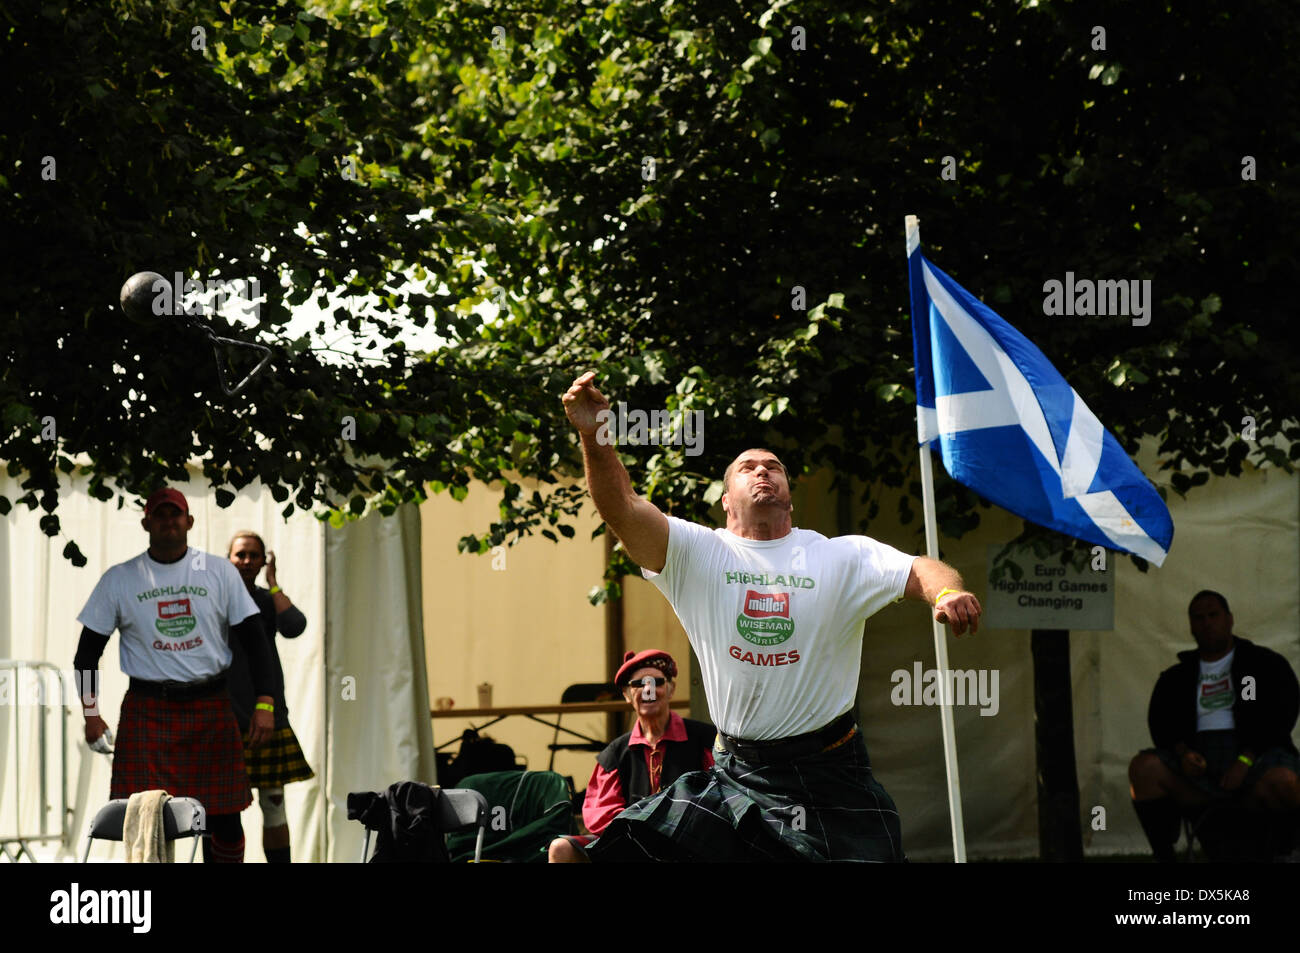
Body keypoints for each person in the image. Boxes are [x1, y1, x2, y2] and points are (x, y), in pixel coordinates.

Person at [561, 371, 982, 861]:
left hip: (831, 771)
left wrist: (947, 591)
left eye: (774, 467)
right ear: (724, 499)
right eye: (747, 468)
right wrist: (593, 435)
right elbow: (623, 508)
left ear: (788, 492)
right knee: (615, 849)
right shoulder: (696, 552)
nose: (763, 471)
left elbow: (919, 568)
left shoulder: (840, 556)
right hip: (736, 770)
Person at [74, 487, 277, 863]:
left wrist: (266, 702)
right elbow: (86, 654)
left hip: (211, 706)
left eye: (175, 515)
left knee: (225, 820)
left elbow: (256, 642)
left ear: (189, 521)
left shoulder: (218, 571)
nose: (169, 522)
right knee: (143, 818)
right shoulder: (121, 579)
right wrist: (90, 714)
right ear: (146, 523)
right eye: (160, 515)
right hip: (148, 709)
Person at [1129, 590, 1300, 862]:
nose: (1207, 623)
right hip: (1198, 770)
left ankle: (1286, 852)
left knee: (1287, 781)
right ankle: (1164, 856)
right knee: (1143, 769)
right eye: (1198, 618)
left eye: (1213, 615)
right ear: (1191, 626)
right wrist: (1183, 752)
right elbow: (1161, 722)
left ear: (1230, 619)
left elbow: (1281, 714)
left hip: (1255, 760)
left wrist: (1246, 758)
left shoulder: (1263, 664)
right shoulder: (1176, 677)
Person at [548, 649, 716, 862]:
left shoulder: (704, 739)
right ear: (627, 695)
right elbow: (599, 814)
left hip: (688, 842)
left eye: (657, 682)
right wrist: (640, 830)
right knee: (561, 848)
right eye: (638, 684)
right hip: (630, 844)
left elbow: (720, 799)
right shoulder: (616, 753)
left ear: (671, 689)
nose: (648, 689)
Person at [227, 531, 315, 863]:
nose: (247, 561)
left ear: (264, 560)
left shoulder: (266, 600)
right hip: (227, 718)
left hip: (268, 716)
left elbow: (294, 625)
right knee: (224, 811)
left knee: (274, 808)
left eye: (254, 555)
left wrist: (273, 582)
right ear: (229, 560)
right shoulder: (216, 599)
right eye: (240, 555)